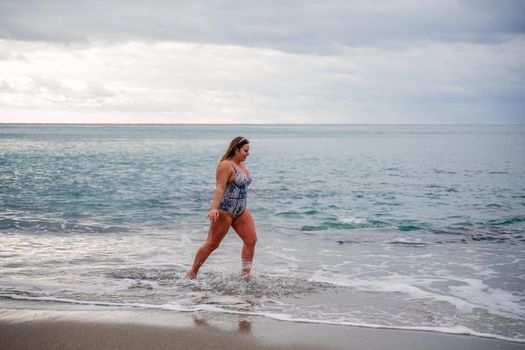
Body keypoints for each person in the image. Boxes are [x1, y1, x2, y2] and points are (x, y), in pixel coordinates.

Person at [186, 136, 257, 280]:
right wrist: (214, 209)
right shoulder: (225, 165)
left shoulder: (241, 165)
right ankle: (192, 272)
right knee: (212, 244)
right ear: (236, 149)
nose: (247, 154)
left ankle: (245, 275)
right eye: (245, 150)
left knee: (251, 240)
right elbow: (219, 188)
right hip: (225, 211)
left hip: (241, 210)